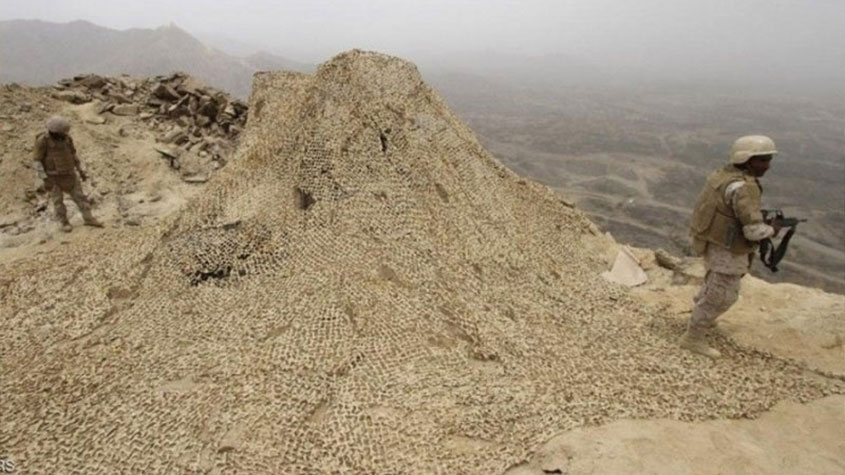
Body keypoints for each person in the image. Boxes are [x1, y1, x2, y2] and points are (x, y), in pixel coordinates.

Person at [682, 135, 781, 358]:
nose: (767, 166)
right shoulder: (743, 187)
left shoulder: (723, 176)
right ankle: (693, 337)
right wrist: (773, 230)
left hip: (713, 242)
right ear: (747, 160)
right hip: (727, 249)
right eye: (762, 160)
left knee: (714, 286)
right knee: (722, 295)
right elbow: (753, 231)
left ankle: (701, 318)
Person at [33, 116, 103, 232]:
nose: (65, 134)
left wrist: (80, 170)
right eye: (62, 132)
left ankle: (89, 218)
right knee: (58, 202)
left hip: (70, 174)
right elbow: (37, 161)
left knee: (81, 197)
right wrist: (43, 178)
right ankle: (63, 222)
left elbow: (73, 155)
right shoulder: (43, 141)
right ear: (55, 132)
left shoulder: (67, 139)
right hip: (53, 177)